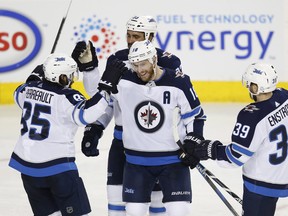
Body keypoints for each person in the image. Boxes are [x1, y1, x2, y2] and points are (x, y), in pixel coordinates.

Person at [74, 16, 183, 216]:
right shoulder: (116, 59)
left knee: (156, 203)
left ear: (150, 37)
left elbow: (176, 102)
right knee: (115, 200)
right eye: (128, 35)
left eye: (136, 36)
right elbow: (105, 98)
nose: (131, 40)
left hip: (153, 143)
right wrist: (96, 127)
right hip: (121, 142)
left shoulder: (169, 62)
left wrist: (188, 138)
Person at [8, 52, 124, 216]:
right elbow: (88, 114)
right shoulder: (66, 97)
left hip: (27, 170)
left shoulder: (26, 90)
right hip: (57, 169)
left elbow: (18, 93)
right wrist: (105, 87)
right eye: (69, 75)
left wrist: (33, 78)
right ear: (61, 77)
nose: (72, 79)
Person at [109, 40, 205, 216]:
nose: (139, 70)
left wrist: (194, 141)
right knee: (134, 212)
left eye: (143, 64)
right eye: (135, 65)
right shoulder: (123, 80)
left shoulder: (179, 82)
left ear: (154, 59)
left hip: (173, 160)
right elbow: (98, 97)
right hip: (136, 162)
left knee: (180, 211)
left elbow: (196, 115)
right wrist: (90, 69)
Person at [191, 63, 288, 216]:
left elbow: (235, 157)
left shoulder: (251, 115)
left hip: (260, 184)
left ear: (255, 87)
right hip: (281, 177)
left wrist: (212, 149)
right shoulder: (284, 96)